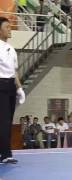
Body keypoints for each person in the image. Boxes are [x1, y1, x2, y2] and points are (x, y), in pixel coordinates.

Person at [0, 17, 25, 164]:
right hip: (0, 86)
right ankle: (6, 154)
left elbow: (14, 72)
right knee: (3, 121)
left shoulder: (12, 49)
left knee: (7, 121)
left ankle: (1, 152)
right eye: (7, 27)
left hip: (10, 87)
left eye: (10, 27)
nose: (10, 29)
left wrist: (20, 88)